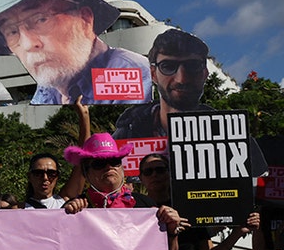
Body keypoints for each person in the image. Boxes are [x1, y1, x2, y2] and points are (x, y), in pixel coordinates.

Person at [0, 0, 150, 105]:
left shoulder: (126, 70)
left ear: (85, 19)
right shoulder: (47, 89)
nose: (28, 44)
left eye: (40, 20)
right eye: (11, 31)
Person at [113, 28, 267, 175]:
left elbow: (256, 191)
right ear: (153, 74)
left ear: (205, 73)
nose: (182, 79)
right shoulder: (128, 132)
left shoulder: (233, 136)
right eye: (168, 66)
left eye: (192, 66)